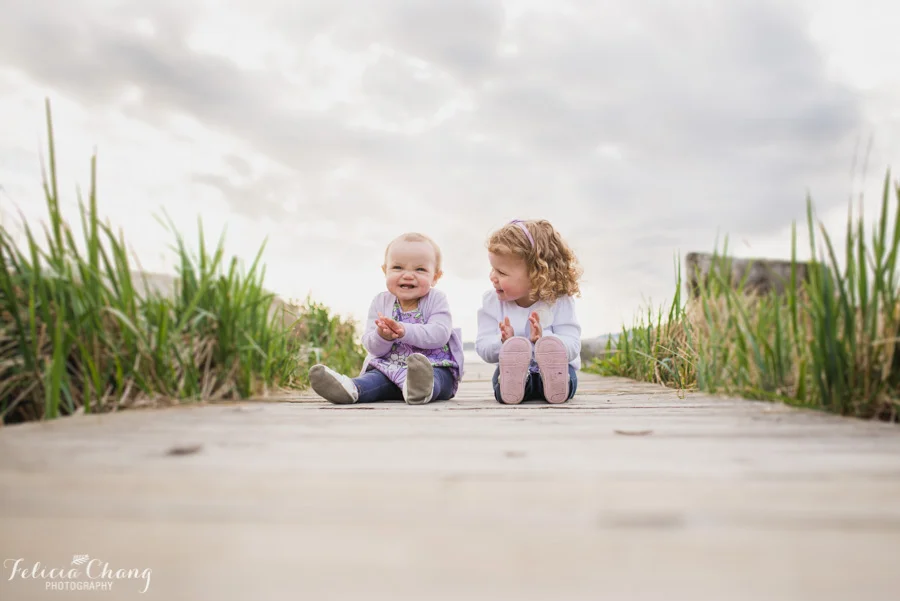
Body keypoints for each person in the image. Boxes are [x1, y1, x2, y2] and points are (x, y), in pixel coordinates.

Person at [309, 232, 464, 405]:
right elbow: (372, 346)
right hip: (390, 369)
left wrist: (404, 330)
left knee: (435, 378)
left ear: (435, 277)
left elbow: (440, 334)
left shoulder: (436, 299)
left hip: (434, 367)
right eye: (398, 267)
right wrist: (382, 337)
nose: (408, 275)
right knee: (374, 379)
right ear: (385, 270)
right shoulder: (381, 302)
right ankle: (350, 389)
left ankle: (420, 389)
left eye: (420, 269)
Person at [475, 219, 583, 404]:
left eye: (501, 272)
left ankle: (552, 382)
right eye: (493, 269)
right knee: (502, 379)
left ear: (535, 275)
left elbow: (573, 345)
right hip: (512, 371)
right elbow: (483, 347)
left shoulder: (558, 300)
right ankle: (519, 383)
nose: (492, 277)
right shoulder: (492, 302)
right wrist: (503, 343)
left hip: (559, 369)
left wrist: (545, 341)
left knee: (566, 377)